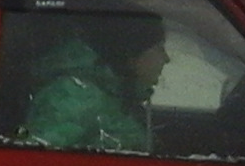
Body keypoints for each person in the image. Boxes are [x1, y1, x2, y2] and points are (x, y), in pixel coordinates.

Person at [15, 11, 168, 153]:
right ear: (131, 54)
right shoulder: (75, 97)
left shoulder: (117, 96)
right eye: (159, 48)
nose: (166, 58)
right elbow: (37, 162)